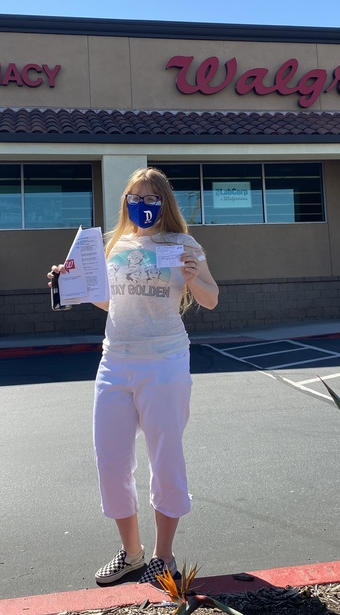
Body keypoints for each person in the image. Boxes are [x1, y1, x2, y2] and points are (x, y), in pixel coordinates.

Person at [47, 167, 219, 586]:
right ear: (125, 203)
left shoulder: (184, 244)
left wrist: (195, 278)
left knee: (166, 459)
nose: (142, 206)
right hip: (114, 362)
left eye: (151, 199)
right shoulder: (114, 245)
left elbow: (212, 300)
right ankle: (132, 553)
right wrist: (70, 285)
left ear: (165, 203)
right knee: (110, 460)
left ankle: (163, 556)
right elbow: (113, 302)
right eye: (134, 199)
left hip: (165, 361)